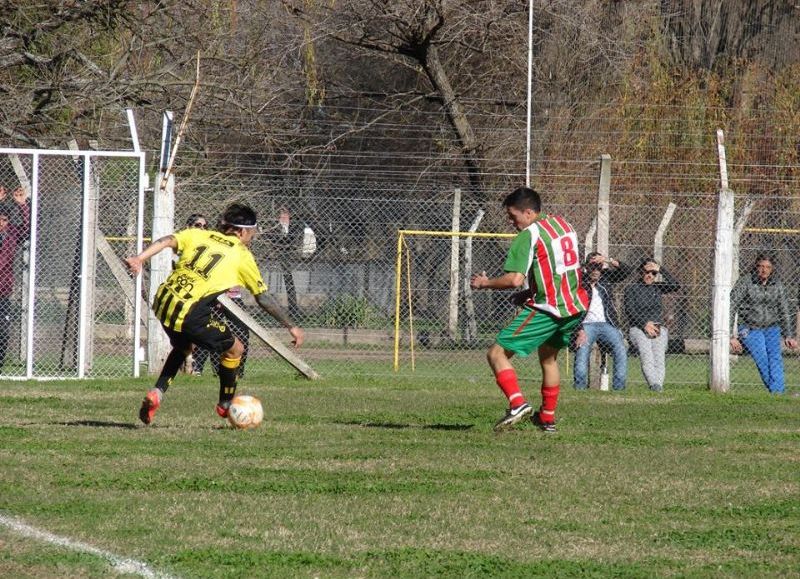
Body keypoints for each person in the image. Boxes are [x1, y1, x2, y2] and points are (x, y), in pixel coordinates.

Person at [125, 203, 304, 425]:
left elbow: (167, 240)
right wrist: (290, 325)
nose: (252, 237)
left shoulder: (200, 235)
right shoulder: (242, 255)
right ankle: (225, 405)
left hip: (164, 301)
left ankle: (157, 393)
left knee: (183, 347)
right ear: (241, 231)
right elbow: (263, 297)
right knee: (235, 349)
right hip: (190, 312)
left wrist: (140, 258)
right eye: (252, 233)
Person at [470, 186, 589, 432]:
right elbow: (559, 268)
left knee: (496, 354)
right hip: (574, 306)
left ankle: (517, 404)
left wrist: (485, 283)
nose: (511, 221)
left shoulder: (529, 234)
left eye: (513, 216)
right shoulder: (563, 225)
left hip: (549, 307)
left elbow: (514, 278)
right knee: (548, 359)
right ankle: (546, 418)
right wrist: (529, 291)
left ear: (528, 212)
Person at [181, 214, 251, 378]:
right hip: (208, 297)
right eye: (198, 225)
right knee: (210, 333)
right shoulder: (188, 242)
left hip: (232, 296)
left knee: (241, 332)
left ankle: (235, 371)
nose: (203, 229)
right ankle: (197, 368)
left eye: (205, 226)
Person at [729, 254, 797, 393]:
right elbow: (731, 306)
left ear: (772, 269)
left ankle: (778, 393)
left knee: (775, 359)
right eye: (761, 266)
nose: (764, 270)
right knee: (762, 359)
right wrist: (731, 335)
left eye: (768, 267)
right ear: (756, 267)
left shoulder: (777, 284)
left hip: (772, 328)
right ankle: (777, 391)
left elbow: (784, 310)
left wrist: (788, 335)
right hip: (750, 328)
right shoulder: (745, 282)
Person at [572, 252, 632, 391]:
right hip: (586, 325)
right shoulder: (579, 281)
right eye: (592, 267)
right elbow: (573, 307)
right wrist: (579, 329)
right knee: (582, 350)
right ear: (587, 267)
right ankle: (579, 388)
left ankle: (619, 388)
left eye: (598, 267)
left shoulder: (607, 278)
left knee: (620, 348)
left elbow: (627, 271)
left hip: (607, 324)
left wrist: (607, 260)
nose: (596, 271)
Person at [623, 258, 681, 392]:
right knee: (647, 356)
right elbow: (629, 311)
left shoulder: (658, 287)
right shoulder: (631, 289)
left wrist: (661, 269)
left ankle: (658, 386)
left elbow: (676, 285)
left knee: (659, 358)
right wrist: (644, 324)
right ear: (640, 272)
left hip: (657, 327)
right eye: (646, 272)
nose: (650, 276)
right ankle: (654, 385)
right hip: (638, 327)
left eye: (653, 273)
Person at [0, 186, 31, 368]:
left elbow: (27, 229)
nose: (1, 223)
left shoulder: (11, 234)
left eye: (4, 220)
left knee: (3, 330)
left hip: (3, 291)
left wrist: (22, 206)